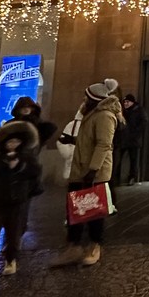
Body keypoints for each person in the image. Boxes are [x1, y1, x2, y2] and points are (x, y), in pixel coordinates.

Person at [50, 81, 122, 268]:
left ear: (94, 99)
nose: (83, 100)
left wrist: (93, 170)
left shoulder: (105, 116)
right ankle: (73, 247)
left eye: (86, 97)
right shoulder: (90, 115)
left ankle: (94, 246)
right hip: (80, 170)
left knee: (93, 210)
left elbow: (104, 144)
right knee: (75, 209)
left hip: (93, 172)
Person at [0, 120, 43, 288]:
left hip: (18, 203)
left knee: (14, 235)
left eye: (16, 141)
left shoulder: (27, 159)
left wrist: (19, 168)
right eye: (9, 141)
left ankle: (11, 259)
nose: (12, 144)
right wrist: (5, 168)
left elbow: (35, 175)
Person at [116, 93, 147, 183]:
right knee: (118, 159)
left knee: (133, 160)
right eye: (124, 102)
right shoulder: (122, 112)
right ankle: (117, 177)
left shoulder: (139, 111)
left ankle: (132, 177)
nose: (125, 104)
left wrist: (135, 134)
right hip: (123, 139)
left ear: (132, 102)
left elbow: (143, 123)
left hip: (133, 140)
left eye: (127, 102)